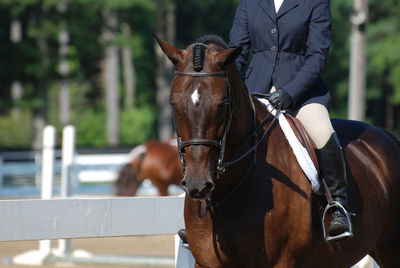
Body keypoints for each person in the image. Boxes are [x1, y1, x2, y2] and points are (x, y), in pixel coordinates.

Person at [229, 0, 352, 239]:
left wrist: (291, 91)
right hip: (254, 89)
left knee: (321, 132)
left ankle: (337, 206)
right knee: (223, 133)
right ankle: (209, 209)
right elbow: (237, 50)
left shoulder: (315, 2)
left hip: (302, 92)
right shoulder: (249, 2)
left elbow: (318, 55)